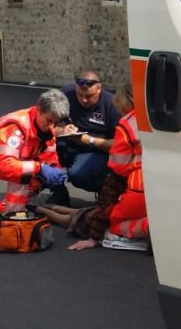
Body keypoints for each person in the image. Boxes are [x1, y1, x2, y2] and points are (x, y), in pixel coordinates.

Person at [34, 83, 146, 251]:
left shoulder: (128, 124)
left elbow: (116, 176)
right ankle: (59, 209)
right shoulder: (158, 121)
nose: (84, 100)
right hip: (150, 192)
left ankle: (45, 211)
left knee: (101, 220)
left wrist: (94, 238)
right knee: (105, 212)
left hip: (137, 192)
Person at [0, 89, 69, 221]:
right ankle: (12, 216)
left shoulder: (47, 129)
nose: (52, 126)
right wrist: (40, 168)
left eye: (56, 123)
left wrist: (56, 170)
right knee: (25, 169)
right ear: (38, 109)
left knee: (36, 175)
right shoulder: (17, 126)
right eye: (49, 120)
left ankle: (7, 212)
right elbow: (6, 165)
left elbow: (48, 156)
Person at [49, 69, 122, 205]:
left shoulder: (112, 104)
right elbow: (44, 122)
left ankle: (104, 190)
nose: (83, 100)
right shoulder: (65, 95)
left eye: (89, 96)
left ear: (99, 89)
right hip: (68, 143)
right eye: (79, 94)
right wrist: (62, 130)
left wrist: (90, 140)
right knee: (40, 150)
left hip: (98, 150)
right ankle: (59, 192)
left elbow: (120, 144)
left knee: (78, 174)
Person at [102, 83, 148, 251]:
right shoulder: (163, 118)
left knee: (115, 222)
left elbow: (118, 165)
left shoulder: (128, 123)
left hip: (140, 187)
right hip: (167, 182)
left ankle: (148, 228)